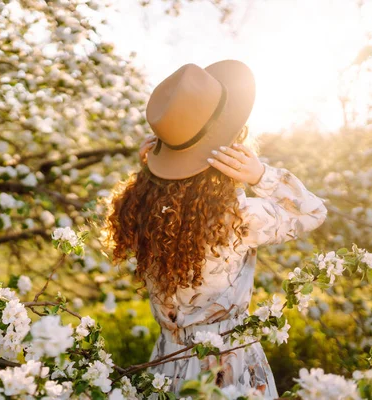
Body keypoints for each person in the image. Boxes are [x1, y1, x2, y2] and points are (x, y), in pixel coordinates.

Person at [104, 61, 328, 397]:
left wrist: (153, 170)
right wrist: (260, 175)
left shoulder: (139, 209)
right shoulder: (237, 217)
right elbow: (313, 211)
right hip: (228, 369)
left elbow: (163, 189)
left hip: (167, 365)